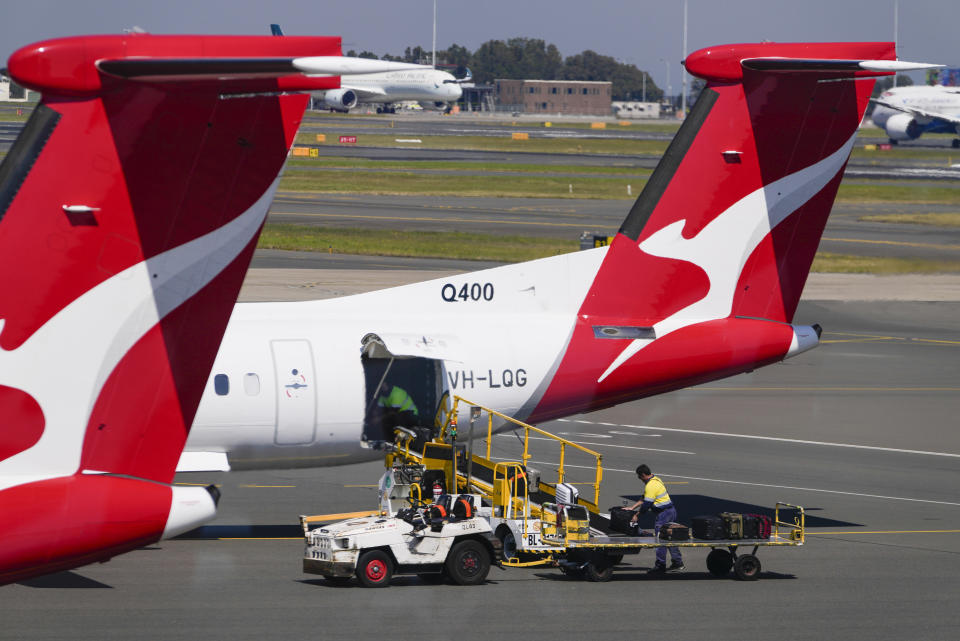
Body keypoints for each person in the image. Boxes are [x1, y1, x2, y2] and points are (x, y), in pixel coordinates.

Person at [625, 464, 684, 574]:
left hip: (664, 514)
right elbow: (644, 497)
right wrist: (632, 507)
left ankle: (660, 565)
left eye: (639, 477)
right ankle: (677, 562)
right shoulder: (656, 479)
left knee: (660, 539)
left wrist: (636, 515)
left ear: (643, 475)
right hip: (671, 511)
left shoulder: (650, 485)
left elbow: (646, 504)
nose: (640, 479)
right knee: (670, 538)